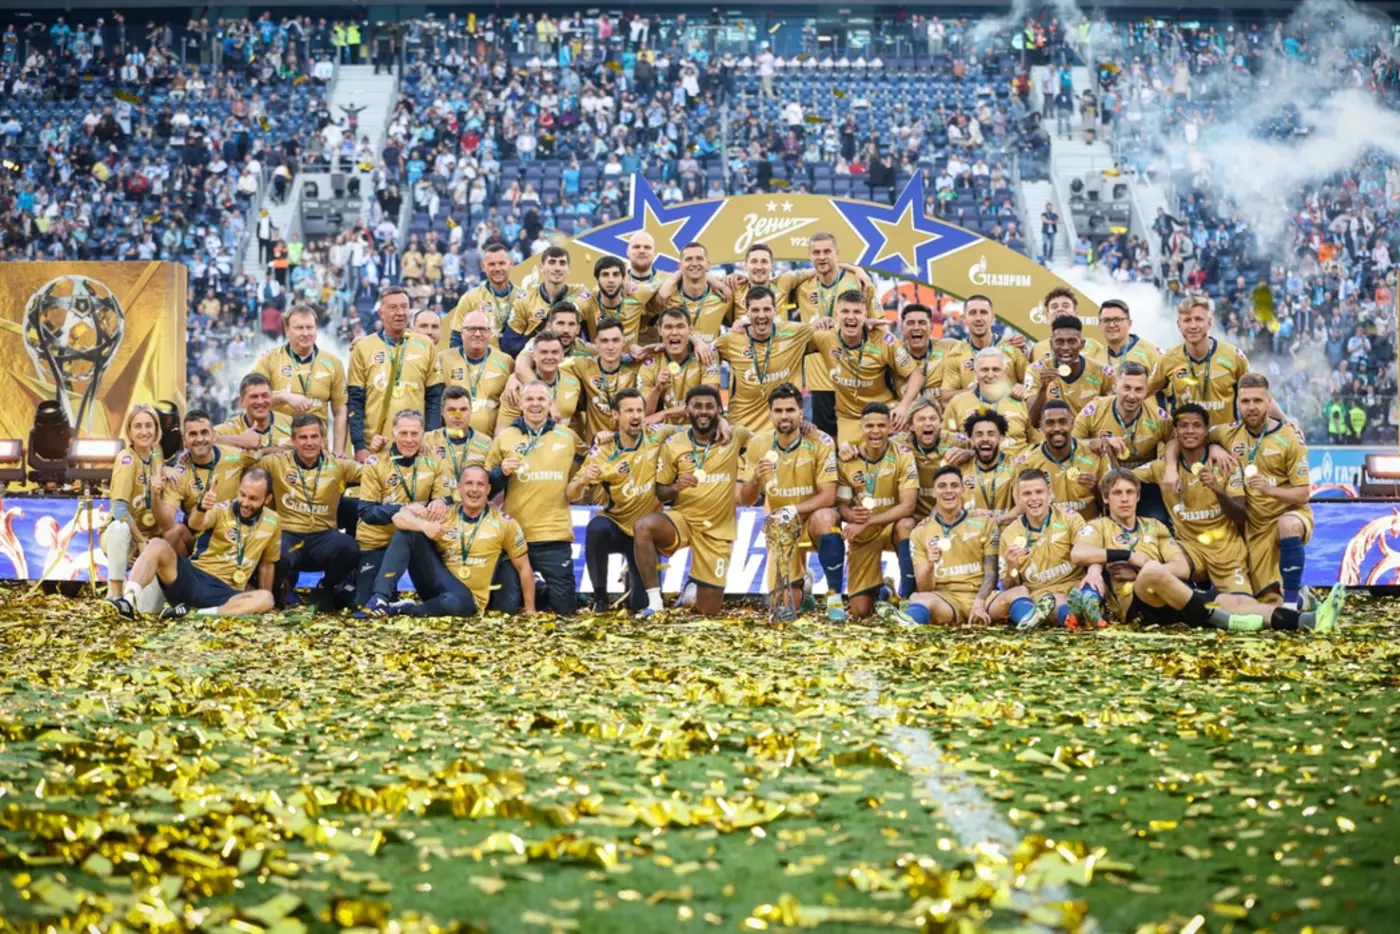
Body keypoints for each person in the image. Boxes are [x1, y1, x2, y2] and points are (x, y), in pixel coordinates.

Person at [1075, 469, 1343, 632]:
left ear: (1138, 496)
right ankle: (1212, 616)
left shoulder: (1154, 526)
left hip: (1176, 599)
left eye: (1129, 492)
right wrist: (1129, 556)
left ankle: (1306, 621)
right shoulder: (1098, 526)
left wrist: (1139, 569)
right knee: (1153, 571)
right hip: (1137, 608)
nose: (1124, 498)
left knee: (1239, 603)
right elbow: (1078, 553)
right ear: (1106, 498)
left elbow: (1181, 567)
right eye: (1117, 493)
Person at [633, 386, 753, 617]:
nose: (703, 411)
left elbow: (768, 441)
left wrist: (809, 429)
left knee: (709, 612)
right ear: (687, 411)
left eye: (710, 406)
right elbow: (661, 492)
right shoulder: (673, 444)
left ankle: (691, 590)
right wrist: (676, 486)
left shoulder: (736, 435)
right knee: (643, 527)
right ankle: (655, 602)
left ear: (719, 410)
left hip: (718, 530)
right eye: (697, 406)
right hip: (684, 520)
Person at [359, 465, 535, 617]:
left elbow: (524, 567)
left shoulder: (505, 523)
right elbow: (398, 518)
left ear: (488, 489)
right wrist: (425, 526)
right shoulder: (443, 514)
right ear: (459, 488)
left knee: (455, 602)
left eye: (480, 484)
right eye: (469, 483)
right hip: (437, 585)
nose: (474, 489)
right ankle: (381, 597)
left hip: (469, 600)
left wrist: (530, 609)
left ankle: (407, 609)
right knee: (410, 530)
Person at [1201, 373, 1313, 606]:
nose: (1251, 407)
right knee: (1265, 600)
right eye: (1245, 401)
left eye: (1258, 401)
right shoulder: (1228, 433)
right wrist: (1213, 448)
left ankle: (1292, 602)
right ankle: (1303, 600)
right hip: (1255, 526)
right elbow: (1194, 437)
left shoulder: (1290, 437)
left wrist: (1270, 490)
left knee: (1288, 525)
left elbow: (1303, 494)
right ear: (1237, 403)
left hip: (1287, 513)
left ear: (1269, 402)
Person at [108, 470, 281, 620]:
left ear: (268, 499)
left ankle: (195, 614)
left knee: (266, 598)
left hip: (227, 592)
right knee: (157, 545)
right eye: (242, 495)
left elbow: (267, 564)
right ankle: (128, 601)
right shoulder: (221, 509)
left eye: (253, 498)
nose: (245, 502)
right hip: (195, 577)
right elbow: (196, 524)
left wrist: (265, 608)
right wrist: (201, 508)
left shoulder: (273, 521)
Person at [739, 383, 844, 621]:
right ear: (770, 414)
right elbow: (745, 500)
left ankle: (835, 597)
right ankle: (802, 587)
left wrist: (791, 510)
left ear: (801, 412)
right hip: (781, 529)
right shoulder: (758, 444)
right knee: (783, 613)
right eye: (778, 411)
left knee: (827, 518)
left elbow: (828, 496)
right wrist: (754, 479)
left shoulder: (821, 441)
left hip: (811, 519)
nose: (784, 416)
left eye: (790, 410)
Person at [485, 380, 589, 614]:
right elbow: (486, 488)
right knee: (506, 607)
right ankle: (533, 588)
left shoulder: (567, 436)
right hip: (515, 535)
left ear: (550, 403)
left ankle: (540, 590)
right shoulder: (505, 437)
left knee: (564, 609)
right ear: (521, 404)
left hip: (554, 534)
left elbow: (591, 457)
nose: (535, 404)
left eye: (541, 399)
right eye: (529, 399)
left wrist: (580, 480)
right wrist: (501, 472)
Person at [1134, 404, 1250, 595]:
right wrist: (1107, 451)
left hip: (1226, 552)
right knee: (1159, 554)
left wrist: (1217, 490)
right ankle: (1192, 593)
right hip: (1189, 550)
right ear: (1175, 431)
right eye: (1183, 426)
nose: (1190, 431)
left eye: (1196, 425)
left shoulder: (1225, 464)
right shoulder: (1161, 468)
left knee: (1242, 604)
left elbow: (1241, 515)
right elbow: (1119, 478)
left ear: (1206, 431)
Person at [567, 388, 663, 613]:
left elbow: (691, 430)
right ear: (616, 415)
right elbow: (570, 494)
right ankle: (600, 598)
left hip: (645, 534)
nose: (636, 416)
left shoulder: (657, 436)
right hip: (617, 525)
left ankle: (633, 574)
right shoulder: (602, 450)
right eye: (629, 411)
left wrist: (722, 424)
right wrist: (583, 481)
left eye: (639, 410)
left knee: (639, 605)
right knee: (596, 529)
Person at [257, 415, 363, 609]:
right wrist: (267, 450)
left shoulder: (339, 465)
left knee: (349, 548)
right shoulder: (274, 463)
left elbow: (375, 473)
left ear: (322, 438)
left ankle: (326, 588)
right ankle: (283, 590)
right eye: (303, 437)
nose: (309, 442)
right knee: (275, 550)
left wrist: (381, 453)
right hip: (288, 535)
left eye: (314, 437)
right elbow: (243, 463)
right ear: (293, 440)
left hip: (324, 538)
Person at [353, 409, 453, 608]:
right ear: (393, 433)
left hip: (416, 541)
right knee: (362, 603)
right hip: (378, 543)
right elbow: (367, 512)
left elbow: (448, 497)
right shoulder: (376, 462)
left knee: (436, 597)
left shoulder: (435, 460)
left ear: (422, 434)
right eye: (403, 433)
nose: (409, 439)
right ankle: (354, 581)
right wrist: (402, 510)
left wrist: (442, 501)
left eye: (414, 434)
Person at [835, 402, 919, 614]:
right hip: (864, 533)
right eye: (869, 426)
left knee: (907, 525)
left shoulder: (903, 456)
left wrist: (867, 522)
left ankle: (908, 598)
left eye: (881, 425)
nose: (875, 431)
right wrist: (851, 515)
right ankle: (884, 591)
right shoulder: (847, 459)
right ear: (861, 428)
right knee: (860, 611)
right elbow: (842, 504)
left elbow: (908, 506)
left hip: (891, 525)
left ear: (890, 428)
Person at [808, 290, 922, 445]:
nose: (851, 317)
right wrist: (813, 326)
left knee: (896, 448)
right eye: (845, 311)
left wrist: (903, 406)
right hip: (849, 417)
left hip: (884, 409)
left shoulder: (884, 341)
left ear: (865, 315)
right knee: (848, 456)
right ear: (836, 315)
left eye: (857, 312)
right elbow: (790, 340)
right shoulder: (824, 338)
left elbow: (916, 374)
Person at [793, 233, 878, 437]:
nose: (822, 257)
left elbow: (879, 326)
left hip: (855, 378)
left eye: (827, 251)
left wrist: (855, 269)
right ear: (809, 256)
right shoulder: (801, 286)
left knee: (859, 443)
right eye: (816, 252)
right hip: (820, 379)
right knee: (827, 444)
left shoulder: (859, 281)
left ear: (837, 253)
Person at [987, 468, 1095, 629]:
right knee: (1051, 602)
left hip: (1074, 586)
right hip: (1040, 594)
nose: (1034, 498)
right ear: (1018, 498)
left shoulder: (1070, 518)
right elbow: (1010, 587)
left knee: (1085, 592)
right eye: (1027, 494)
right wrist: (1012, 568)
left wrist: (1094, 573)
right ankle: (1072, 618)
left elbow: (1090, 552)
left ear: (1049, 493)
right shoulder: (1009, 534)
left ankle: (1081, 613)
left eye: (1039, 492)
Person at [348, 286, 443, 462]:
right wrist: (359, 446)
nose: (399, 313)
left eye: (404, 307)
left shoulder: (426, 346)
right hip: (376, 447)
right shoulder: (363, 347)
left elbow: (434, 398)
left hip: (416, 445)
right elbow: (355, 401)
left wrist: (429, 437)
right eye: (392, 307)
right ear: (380, 313)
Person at [714, 287, 818, 432]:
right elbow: (705, 353)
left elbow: (832, 333)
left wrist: (826, 322)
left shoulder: (795, 333)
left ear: (775, 310)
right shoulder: (731, 340)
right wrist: (696, 341)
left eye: (767, 309)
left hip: (782, 430)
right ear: (747, 312)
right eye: (755, 310)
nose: (761, 315)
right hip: (742, 431)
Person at [250, 305, 349, 455]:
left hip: (316, 451)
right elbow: (251, 397)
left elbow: (340, 410)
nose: (306, 333)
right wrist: (284, 396)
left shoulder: (333, 363)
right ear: (287, 330)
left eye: (310, 327)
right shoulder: (269, 359)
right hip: (278, 451)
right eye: (299, 328)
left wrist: (338, 450)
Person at [905, 465, 998, 625]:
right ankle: (905, 623)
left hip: (984, 598)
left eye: (954, 485)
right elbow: (924, 588)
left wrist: (980, 602)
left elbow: (991, 573)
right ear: (933, 492)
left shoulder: (985, 523)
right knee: (919, 598)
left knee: (1019, 593)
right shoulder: (919, 532)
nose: (948, 491)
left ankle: (1030, 622)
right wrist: (930, 565)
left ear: (963, 490)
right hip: (946, 602)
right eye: (942, 486)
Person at [162, 409, 258, 557]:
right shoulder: (178, 473)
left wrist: (248, 442)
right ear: (184, 440)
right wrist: (159, 474)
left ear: (213, 435)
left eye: (204, 432)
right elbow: (167, 521)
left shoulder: (236, 456)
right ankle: (187, 568)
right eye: (193, 434)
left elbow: (266, 457)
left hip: (233, 531)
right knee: (172, 533)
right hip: (197, 533)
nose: (200, 439)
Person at [1149, 294, 1250, 429]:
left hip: (1225, 439)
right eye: (1187, 320)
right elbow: (1141, 394)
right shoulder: (1167, 359)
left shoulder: (1234, 356)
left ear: (1209, 322)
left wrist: (1279, 424)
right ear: (1179, 325)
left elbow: (1257, 393)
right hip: (1186, 438)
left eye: (1198, 319)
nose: (1193, 326)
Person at [102, 405, 166, 600]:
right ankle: (115, 594)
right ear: (129, 431)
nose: (144, 431)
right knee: (119, 527)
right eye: (138, 426)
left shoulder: (157, 451)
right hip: (127, 535)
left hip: (150, 537)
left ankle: (131, 596)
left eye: (149, 425)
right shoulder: (126, 460)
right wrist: (139, 541)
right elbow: (119, 510)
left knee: (149, 608)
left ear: (156, 429)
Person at [1073, 361, 1172, 469]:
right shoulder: (1094, 410)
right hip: (1103, 473)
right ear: (1115, 387)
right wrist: (1099, 442)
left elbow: (1176, 444)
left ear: (1147, 390)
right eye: (1126, 388)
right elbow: (1071, 443)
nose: (1132, 396)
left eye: (1138, 389)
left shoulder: (1160, 418)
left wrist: (1170, 468)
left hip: (1143, 475)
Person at [1016, 400, 1105, 519]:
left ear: (1072, 423)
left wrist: (1095, 488)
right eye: (1050, 423)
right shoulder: (1029, 463)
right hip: (1048, 529)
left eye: (1063, 422)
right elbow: (1023, 510)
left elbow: (1110, 505)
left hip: (1089, 527)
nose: (1057, 428)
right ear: (1041, 426)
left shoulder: (1095, 455)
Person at [560, 316, 642, 441]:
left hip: (628, 445)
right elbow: (548, 361)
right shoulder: (583, 365)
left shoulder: (636, 365)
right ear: (596, 343)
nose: (610, 347)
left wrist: (635, 347)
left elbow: (665, 352)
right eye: (604, 341)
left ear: (624, 342)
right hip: (595, 446)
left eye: (615, 340)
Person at [1023, 314, 1115, 423]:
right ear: (1051, 344)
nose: (1065, 347)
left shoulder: (1103, 372)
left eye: (1072, 341)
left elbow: (1114, 415)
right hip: (1053, 433)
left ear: (1082, 344)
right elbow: (1034, 421)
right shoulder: (1036, 370)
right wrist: (1043, 389)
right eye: (1059, 342)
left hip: (1089, 433)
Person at [637, 308, 723, 424]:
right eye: (668, 327)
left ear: (690, 329)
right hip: (665, 431)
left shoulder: (706, 354)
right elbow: (645, 415)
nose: (674, 332)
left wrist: (664, 413)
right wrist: (657, 389)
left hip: (700, 428)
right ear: (659, 330)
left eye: (680, 327)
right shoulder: (650, 364)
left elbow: (707, 401)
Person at [502, 245, 591, 355]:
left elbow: (595, 335)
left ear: (569, 269)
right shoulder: (524, 301)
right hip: (535, 360)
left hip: (573, 361)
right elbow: (509, 345)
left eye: (562, 263)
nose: (557, 268)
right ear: (542, 268)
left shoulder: (581, 294)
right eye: (552, 262)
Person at [438, 309, 515, 436]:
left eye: (483, 329)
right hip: (452, 440)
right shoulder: (443, 359)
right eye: (472, 329)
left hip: (490, 441)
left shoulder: (506, 361)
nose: (478, 334)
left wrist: (515, 377)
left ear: (490, 333)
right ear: (462, 332)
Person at [941, 349, 1032, 455]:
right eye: (984, 370)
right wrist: (966, 453)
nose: (990, 375)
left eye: (996, 369)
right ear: (976, 373)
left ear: (1005, 372)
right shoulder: (957, 403)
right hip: (972, 464)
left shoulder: (1022, 400)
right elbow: (945, 441)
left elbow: (1037, 443)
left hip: (1016, 464)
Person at [494, 329, 584, 432]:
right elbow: (502, 434)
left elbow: (575, 422)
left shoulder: (574, 382)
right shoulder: (516, 388)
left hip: (562, 440)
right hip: (528, 441)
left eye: (554, 352)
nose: (549, 357)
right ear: (534, 356)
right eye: (544, 352)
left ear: (562, 356)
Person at [941, 294, 1029, 397]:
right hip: (972, 407)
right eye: (973, 313)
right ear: (964, 318)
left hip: (1007, 407)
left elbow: (1032, 387)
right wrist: (977, 391)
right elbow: (946, 398)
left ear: (992, 317)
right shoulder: (955, 354)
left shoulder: (1013, 347)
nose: (978, 318)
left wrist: (1022, 389)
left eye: (983, 312)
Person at [443, 240, 521, 350]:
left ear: (511, 264)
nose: (497, 269)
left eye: (502, 263)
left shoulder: (524, 297)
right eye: (491, 264)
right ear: (483, 267)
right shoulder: (470, 298)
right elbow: (456, 338)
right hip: (482, 360)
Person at [654, 242, 734, 343]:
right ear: (680, 266)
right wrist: (673, 279)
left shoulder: (723, 296)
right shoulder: (666, 296)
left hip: (709, 353)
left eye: (699, 258)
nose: (695, 263)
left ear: (708, 264)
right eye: (688, 259)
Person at [956, 409, 1019, 523]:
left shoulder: (1014, 467)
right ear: (971, 440)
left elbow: (1022, 506)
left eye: (991, 434)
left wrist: (996, 521)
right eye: (979, 434)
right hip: (971, 531)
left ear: (1001, 438)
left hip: (1004, 531)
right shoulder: (960, 469)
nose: (985, 439)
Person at [421, 386, 492, 484]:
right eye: (452, 410)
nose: (458, 415)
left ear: (471, 410)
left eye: (463, 409)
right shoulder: (427, 440)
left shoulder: (486, 443)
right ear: (442, 411)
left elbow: (493, 483)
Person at [578, 254, 653, 346]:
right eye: (605, 275)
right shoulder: (588, 301)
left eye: (616, 274)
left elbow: (661, 284)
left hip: (630, 355)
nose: (611, 280)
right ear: (597, 280)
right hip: (598, 355)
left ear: (624, 279)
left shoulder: (636, 294)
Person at [1029, 288, 1107, 366]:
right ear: (1047, 316)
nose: (1060, 309)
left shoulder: (1094, 346)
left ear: (1075, 313)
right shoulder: (1037, 348)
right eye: (1054, 306)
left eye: (1065, 306)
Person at [215, 373, 294, 448]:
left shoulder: (290, 423)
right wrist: (240, 440)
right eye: (254, 397)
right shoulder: (229, 429)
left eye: (265, 396)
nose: (260, 401)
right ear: (241, 401)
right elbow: (209, 438)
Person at [1097, 298, 1160, 375]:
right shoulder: (1096, 356)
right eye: (1106, 320)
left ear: (1129, 323)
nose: (1111, 325)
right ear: (1099, 325)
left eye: (1117, 320)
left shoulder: (1150, 351)